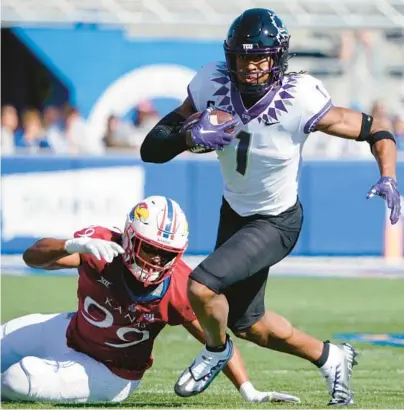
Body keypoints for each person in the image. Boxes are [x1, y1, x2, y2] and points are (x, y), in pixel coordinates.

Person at [140, 8, 401, 406]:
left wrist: (388, 175)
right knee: (250, 325)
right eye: (243, 57)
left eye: (260, 57)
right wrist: (186, 136)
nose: (251, 66)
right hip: (235, 213)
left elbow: (374, 129)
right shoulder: (211, 81)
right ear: (230, 57)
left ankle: (215, 350)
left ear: (278, 58)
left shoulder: (299, 97)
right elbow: (151, 149)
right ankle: (330, 356)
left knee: (201, 286)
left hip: (276, 222)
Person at [1, 195, 300, 404]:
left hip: (111, 373)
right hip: (69, 334)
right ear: (130, 239)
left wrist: (248, 389)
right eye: (150, 249)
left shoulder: (181, 286)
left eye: (166, 254)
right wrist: (71, 245)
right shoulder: (101, 249)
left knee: (16, 379)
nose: (157, 260)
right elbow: (33, 258)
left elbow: (217, 342)